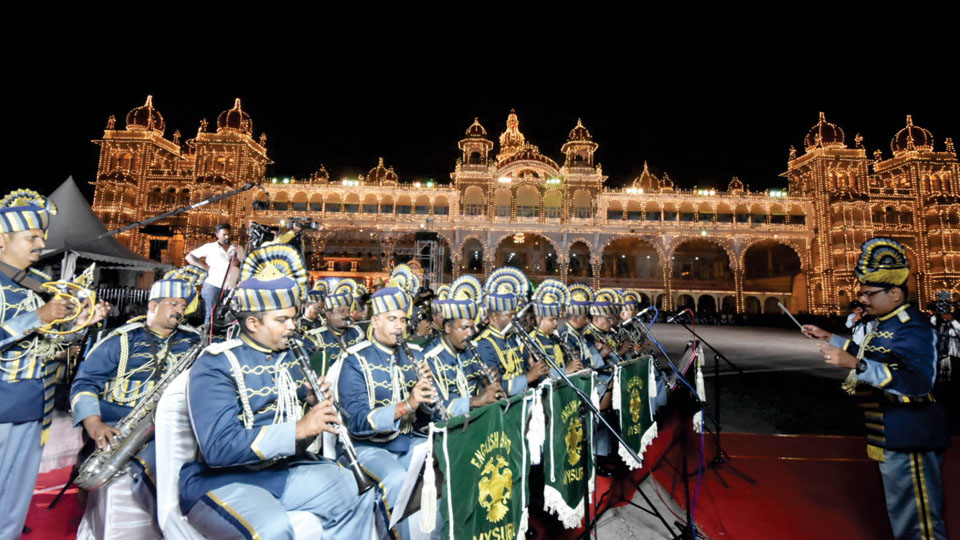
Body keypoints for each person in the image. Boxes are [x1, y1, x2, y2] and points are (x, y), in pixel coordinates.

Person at [179, 244, 377, 540]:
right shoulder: (216, 363)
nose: (293, 327)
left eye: (294, 319)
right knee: (271, 530)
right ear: (253, 322)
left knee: (357, 492)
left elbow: (296, 440)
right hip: (224, 480)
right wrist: (299, 428)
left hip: (280, 471)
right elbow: (218, 449)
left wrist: (312, 415)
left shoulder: (292, 359)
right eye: (282, 320)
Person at [802, 238, 948, 540]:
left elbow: (918, 382)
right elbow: (870, 352)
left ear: (894, 292)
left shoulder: (913, 327)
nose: (863, 300)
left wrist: (857, 365)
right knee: (902, 513)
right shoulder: (887, 322)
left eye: (869, 293)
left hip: (911, 435)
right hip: (891, 434)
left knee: (918, 521)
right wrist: (831, 338)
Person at [0, 189, 109, 539]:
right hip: (3, 403)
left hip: (33, 403)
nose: (40, 242)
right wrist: (39, 315)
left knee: (16, 495)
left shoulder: (34, 289)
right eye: (31, 236)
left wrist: (81, 325)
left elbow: (47, 347)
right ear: (3, 239)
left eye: (42, 236)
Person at [70, 265, 204, 522]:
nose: (179, 310)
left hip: (174, 423)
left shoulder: (193, 341)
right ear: (153, 305)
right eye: (173, 303)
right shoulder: (119, 340)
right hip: (119, 421)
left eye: (183, 306)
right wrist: (94, 424)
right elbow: (84, 384)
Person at [337, 268, 439, 540]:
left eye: (403, 320)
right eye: (392, 319)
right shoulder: (354, 361)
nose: (399, 327)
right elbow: (357, 423)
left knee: (444, 460)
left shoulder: (415, 355)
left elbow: (430, 414)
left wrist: (428, 398)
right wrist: (407, 404)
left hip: (408, 441)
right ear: (376, 320)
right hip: (368, 447)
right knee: (394, 479)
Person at [422, 276, 501, 418]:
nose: (470, 333)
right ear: (448, 327)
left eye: (471, 327)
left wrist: (485, 384)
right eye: (464, 328)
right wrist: (476, 401)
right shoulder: (430, 359)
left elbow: (472, 389)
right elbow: (435, 409)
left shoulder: (472, 349)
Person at [475, 268, 548, 396]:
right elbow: (495, 387)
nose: (515, 319)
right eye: (510, 315)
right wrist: (529, 377)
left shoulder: (512, 338)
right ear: (495, 317)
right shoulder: (483, 344)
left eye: (515, 314)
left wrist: (531, 367)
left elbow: (524, 372)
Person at [303, 278, 365, 377]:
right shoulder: (315, 338)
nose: (346, 315)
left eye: (348, 311)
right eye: (342, 311)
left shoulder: (356, 332)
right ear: (328, 314)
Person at [185, 222, 245, 325]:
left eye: (229, 234)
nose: (227, 236)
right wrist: (205, 267)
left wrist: (239, 264)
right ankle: (209, 338)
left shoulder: (238, 249)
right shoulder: (210, 247)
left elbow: (246, 266)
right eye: (224, 234)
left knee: (230, 317)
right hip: (213, 286)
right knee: (211, 315)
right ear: (217, 234)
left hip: (231, 289)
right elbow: (189, 257)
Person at [530, 279, 583, 379]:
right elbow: (541, 373)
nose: (555, 324)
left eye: (557, 319)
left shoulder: (554, 338)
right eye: (551, 320)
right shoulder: (532, 340)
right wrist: (566, 370)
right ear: (538, 319)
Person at [563, 284, 607, 371]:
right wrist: (601, 354)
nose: (588, 321)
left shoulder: (580, 334)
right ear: (574, 318)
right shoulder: (566, 336)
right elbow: (579, 366)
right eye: (585, 317)